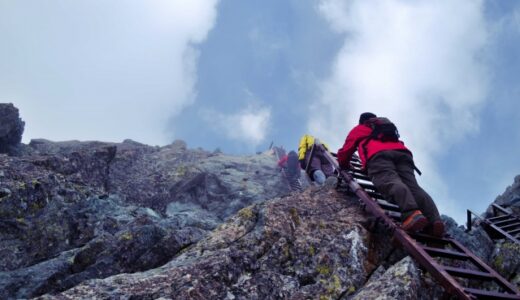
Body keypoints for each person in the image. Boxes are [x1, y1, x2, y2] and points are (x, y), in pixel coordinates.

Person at [337, 112, 444, 236]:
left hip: (378, 156)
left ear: (361, 121)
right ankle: (434, 220)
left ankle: (411, 214)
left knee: (390, 181)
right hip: (402, 154)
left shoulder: (360, 128)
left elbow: (346, 150)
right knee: (414, 188)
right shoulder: (384, 126)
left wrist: (344, 164)